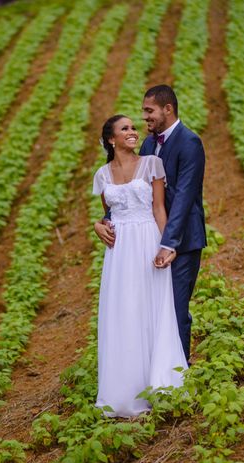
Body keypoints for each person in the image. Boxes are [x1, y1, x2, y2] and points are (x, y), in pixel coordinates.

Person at [94, 85, 207, 363]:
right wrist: (103, 222)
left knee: (175, 310)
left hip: (182, 240)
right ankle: (149, 372)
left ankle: (179, 376)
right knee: (149, 310)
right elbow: (131, 195)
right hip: (147, 240)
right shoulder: (147, 144)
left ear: (167, 109)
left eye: (149, 111)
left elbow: (183, 197)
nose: (145, 118)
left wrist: (168, 243)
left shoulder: (189, 142)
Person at [92, 114, 188, 418]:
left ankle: (160, 383)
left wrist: (166, 245)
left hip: (147, 239)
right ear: (111, 139)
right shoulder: (102, 175)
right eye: (125, 129)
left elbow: (159, 209)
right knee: (124, 312)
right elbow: (109, 215)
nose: (133, 132)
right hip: (119, 253)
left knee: (153, 309)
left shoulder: (151, 164)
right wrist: (98, 225)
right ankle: (125, 391)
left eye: (134, 127)